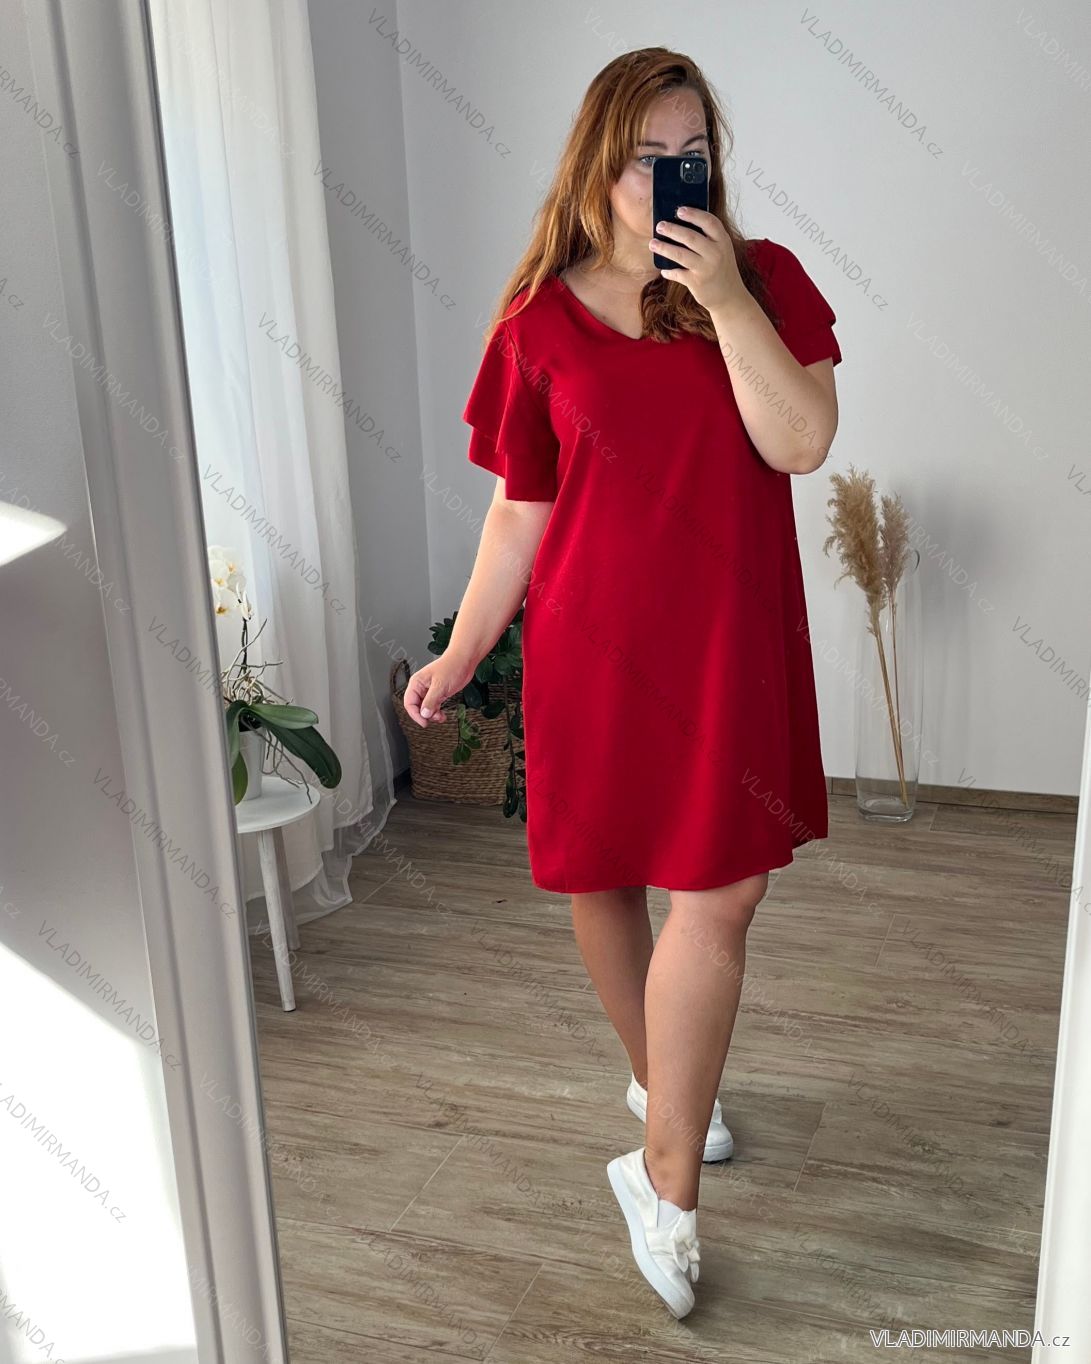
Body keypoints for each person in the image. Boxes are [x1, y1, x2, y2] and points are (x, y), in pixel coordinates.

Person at [403, 46, 841, 1320]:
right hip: (589, 648)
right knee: (600, 876)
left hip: (725, 650)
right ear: (598, 164)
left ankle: (660, 1181)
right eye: (648, 155)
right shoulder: (535, 324)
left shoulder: (761, 282)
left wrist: (724, 296)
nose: (670, 175)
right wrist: (463, 649)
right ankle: (663, 1088)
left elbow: (802, 440)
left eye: (691, 152)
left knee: (722, 891)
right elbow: (519, 512)